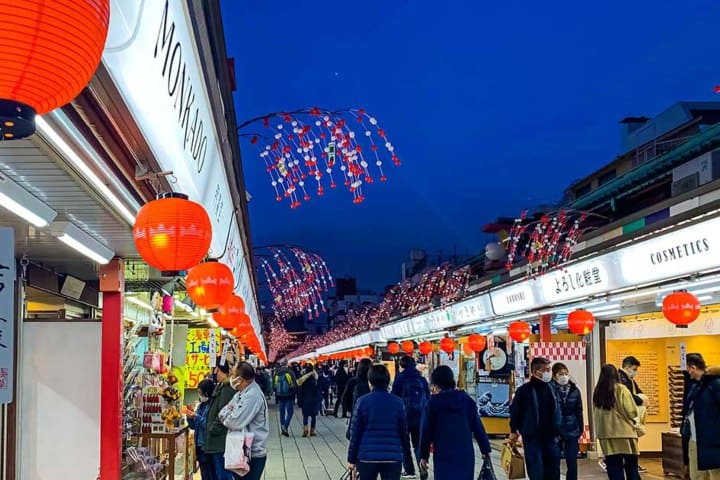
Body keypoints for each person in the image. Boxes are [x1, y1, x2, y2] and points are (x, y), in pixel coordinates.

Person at [418, 365, 491, 480]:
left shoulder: (432, 404)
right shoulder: (465, 400)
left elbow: (425, 432)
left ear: (436, 384)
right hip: (465, 453)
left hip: (443, 454)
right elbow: (478, 426)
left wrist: (423, 456)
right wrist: (485, 450)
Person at [348, 364, 413, 480]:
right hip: (392, 458)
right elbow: (404, 434)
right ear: (388, 381)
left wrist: (351, 459)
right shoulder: (398, 402)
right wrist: (408, 461)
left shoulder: (362, 402)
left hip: (367, 457)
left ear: (370, 382)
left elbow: (355, 433)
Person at [509, 356, 561, 480]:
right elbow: (515, 411)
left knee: (553, 472)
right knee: (536, 471)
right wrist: (513, 430)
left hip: (551, 437)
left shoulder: (552, 388)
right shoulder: (524, 391)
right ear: (535, 371)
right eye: (546, 370)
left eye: (549, 369)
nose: (549, 373)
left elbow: (558, 410)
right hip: (532, 437)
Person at [219, 362, 269, 480]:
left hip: (252, 454)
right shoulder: (241, 393)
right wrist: (229, 413)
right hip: (240, 450)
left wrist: (229, 415)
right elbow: (222, 413)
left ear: (240, 379)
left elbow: (233, 422)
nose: (230, 378)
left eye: (232, 375)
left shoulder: (252, 395)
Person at [592, 364, 640, 480]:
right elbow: (632, 411)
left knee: (613, 467)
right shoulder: (621, 389)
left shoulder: (597, 392)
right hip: (625, 434)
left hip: (607, 435)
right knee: (631, 467)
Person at [682, 353, 720, 479]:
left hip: (712, 441)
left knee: (715, 475)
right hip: (695, 440)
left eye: (686, 368)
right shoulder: (695, 386)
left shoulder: (715, 384)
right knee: (697, 476)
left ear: (692, 367)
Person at [391, 356, 430, 479]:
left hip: (404, 417)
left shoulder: (400, 378)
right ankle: (422, 466)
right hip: (420, 417)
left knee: (404, 444)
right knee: (418, 444)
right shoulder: (422, 380)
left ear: (402, 366)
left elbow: (394, 398)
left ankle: (409, 470)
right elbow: (428, 398)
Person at [549, 362, 583, 480]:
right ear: (554, 376)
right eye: (560, 374)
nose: (564, 376)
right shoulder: (549, 389)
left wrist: (580, 428)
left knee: (572, 461)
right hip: (555, 430)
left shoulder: (574, 390)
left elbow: (579, 410)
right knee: (554, 462)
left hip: (572, 429)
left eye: (565, 373)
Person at [205, 363, 238, 480]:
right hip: (218, 438)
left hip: (220, 439)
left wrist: (213, 428)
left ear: (222, 371)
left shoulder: (226, 389)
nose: (214, 373)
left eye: (217, 370)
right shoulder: (221, 387)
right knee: (221, 472)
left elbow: (224, 413)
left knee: (223, 473)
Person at [187, 379, 216, 480]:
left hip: (207, 445)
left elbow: (208, 425)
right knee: (204, 473)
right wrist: (190, 418)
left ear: (207, 392)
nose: (200, 396)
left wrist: (196, 417)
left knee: (210, 473)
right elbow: (194, 426)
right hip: (199, 444)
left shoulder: (212, 406)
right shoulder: (200, 406)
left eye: (201, 393)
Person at [273, 364, 298, 437]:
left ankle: (282, 428)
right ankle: (285, 426)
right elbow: (294, 384)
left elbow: (274, 386)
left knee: (282, 413)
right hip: (288, 395)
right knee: (290, 412)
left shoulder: (277, 373)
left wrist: (277, 394)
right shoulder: (289, 372)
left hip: (280, 396)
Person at [297, 364, 320, 437]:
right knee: (313, 416)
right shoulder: (315, 379)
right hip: (314, 400)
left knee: (305, 416)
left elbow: (300, 390)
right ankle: (312, 431)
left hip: (305, 400)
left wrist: (299, 401)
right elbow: (318, 389)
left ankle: (305, 430)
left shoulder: (303, 380)